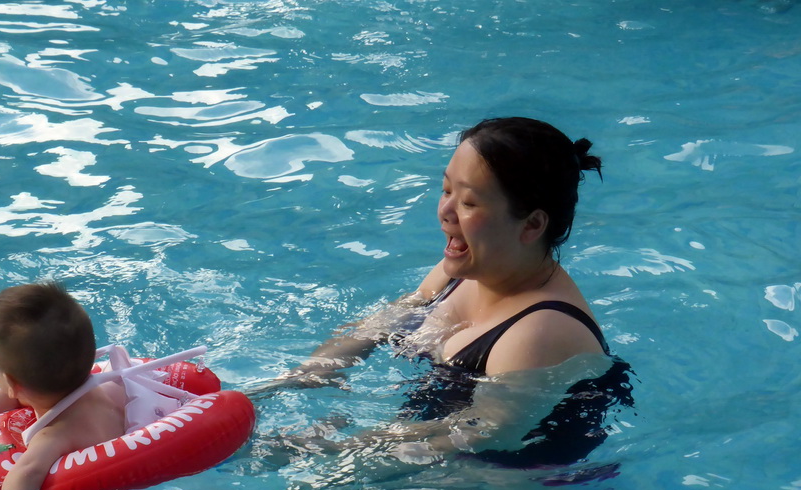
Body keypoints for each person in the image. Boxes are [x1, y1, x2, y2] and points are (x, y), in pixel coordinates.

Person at [267, 116, 632, 471]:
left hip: (512, 484)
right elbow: (385, 322)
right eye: (446, 190)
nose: (445, 211)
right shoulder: (465, 268)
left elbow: (482, 431)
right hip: (434, 450)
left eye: (469, 202)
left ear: (533, 224)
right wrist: (289, 383)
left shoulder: (537, 333)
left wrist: (330, 451)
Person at [0, 282, 129, 490]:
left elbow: (27, 473)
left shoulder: (54, 436)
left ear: (11, 382)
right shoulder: (108, 390)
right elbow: (10, 393)